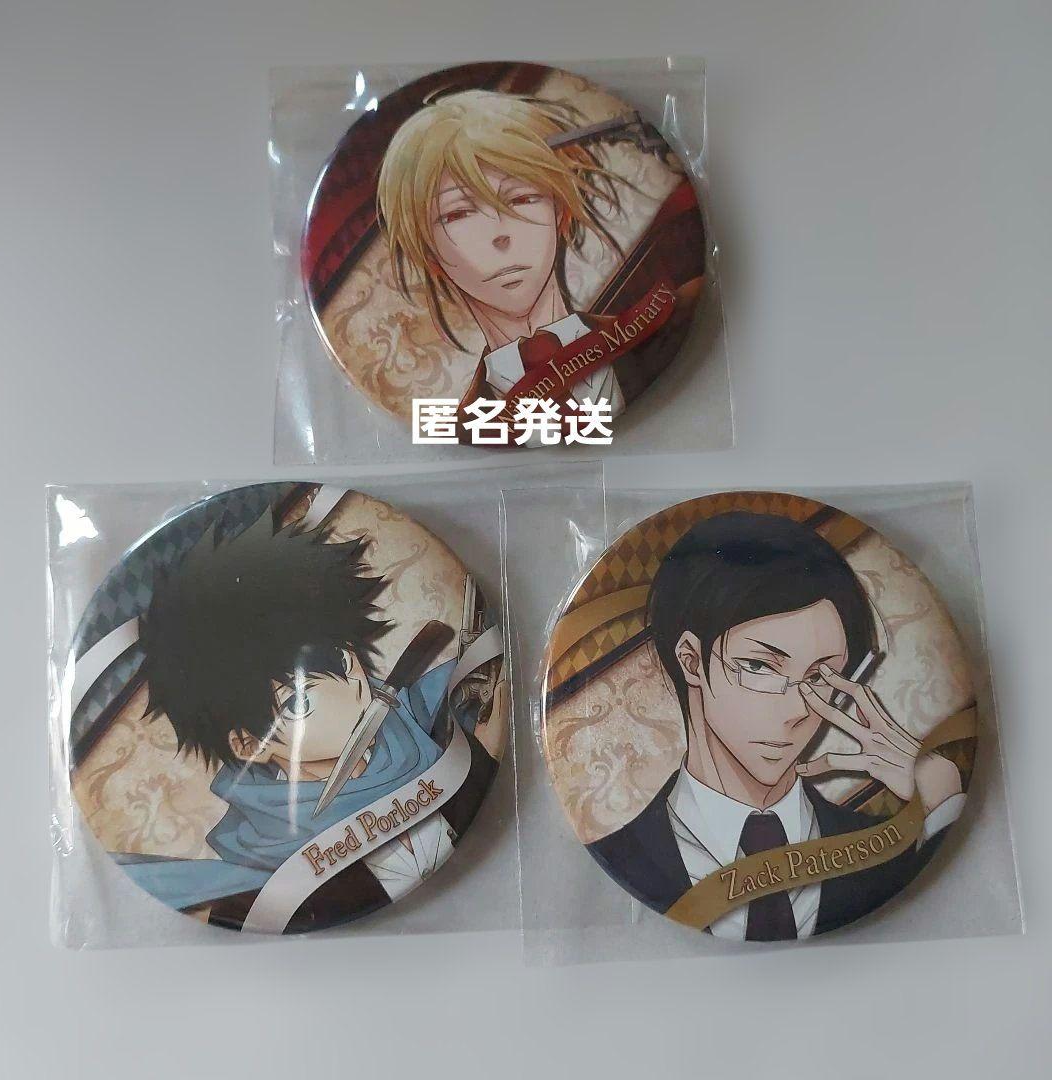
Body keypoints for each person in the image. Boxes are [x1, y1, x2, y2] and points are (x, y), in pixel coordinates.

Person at [115, 510, 501, 932]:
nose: (350, 681)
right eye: (298, 701)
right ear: (249, 744)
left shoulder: (431, 712)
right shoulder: (261, 851)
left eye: (340, 658)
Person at [588, 511, 965, 940]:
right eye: (759, 666)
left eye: (821, 676)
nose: (796, 709)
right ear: (692, 660)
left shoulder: (886, 849)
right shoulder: (622, 858)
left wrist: (941, 791)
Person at [376, 88, 627, 429]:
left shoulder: (652, 334)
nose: (499, 233)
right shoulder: (464, 429)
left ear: (560, 210)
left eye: (521, 198)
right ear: (426, 248)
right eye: (458, 213)